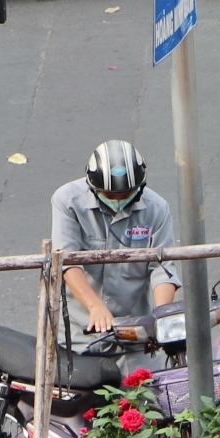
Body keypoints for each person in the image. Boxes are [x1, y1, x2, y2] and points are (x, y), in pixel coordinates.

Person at [51, 141, 180, 334]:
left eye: (126, 194)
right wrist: (95, 307)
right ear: (93, 187)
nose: (119, 201)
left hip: (134, 330)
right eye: (111, 195)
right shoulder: (67, 202)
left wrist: (159, 319)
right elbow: (67, 262)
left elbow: (162, 268)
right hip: (79, 332)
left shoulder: (157, 209)